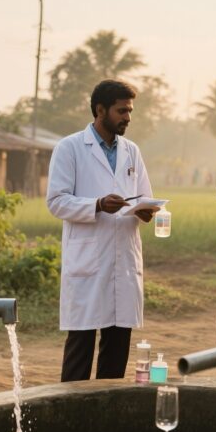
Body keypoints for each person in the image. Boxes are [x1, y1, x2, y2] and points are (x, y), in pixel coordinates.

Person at [46, 80, 155, 382]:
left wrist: (146, 210)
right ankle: (70, 416)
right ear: (100, 110)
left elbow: (145, 195)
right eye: (122, 111)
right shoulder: (70, 148)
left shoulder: (132, 152)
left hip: (124, 259)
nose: (128, 118)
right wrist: (96, 204)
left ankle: (109, 415)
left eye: (130, 111)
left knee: (117, 346)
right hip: (88, 261)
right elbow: (56, 202)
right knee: (80, 346)